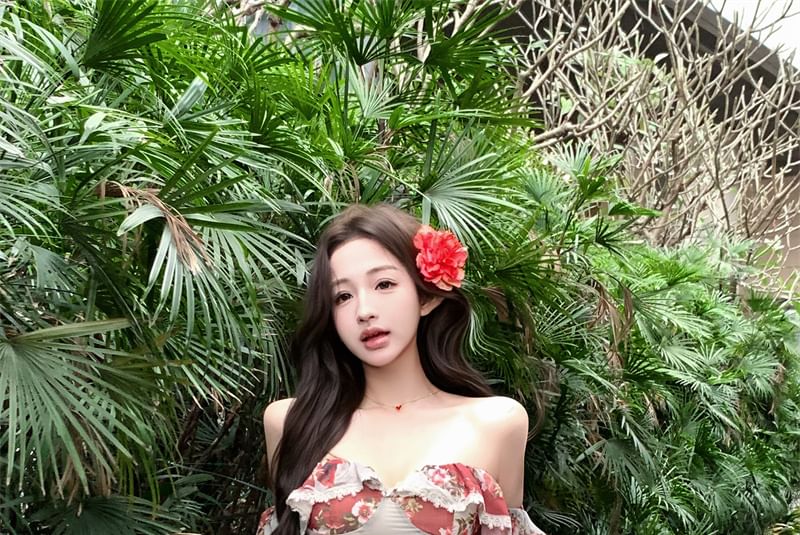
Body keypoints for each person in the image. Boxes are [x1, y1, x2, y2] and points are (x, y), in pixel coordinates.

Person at [257, 204, 546, 535]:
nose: (364, 311)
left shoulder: (497, 424)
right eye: (343, 296)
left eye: (383, 284)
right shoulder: (290, 422)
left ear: (426, 297)